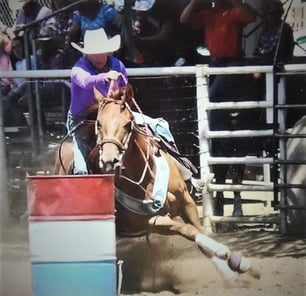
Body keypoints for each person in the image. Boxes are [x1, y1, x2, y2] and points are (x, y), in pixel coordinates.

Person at [68, 28, 203, 194]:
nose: (98, 57)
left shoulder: (118, 65)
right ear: (86, 54)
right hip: (84, 119)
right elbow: (85, 81)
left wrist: (118, 90)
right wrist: (103, 77)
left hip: (114, 115)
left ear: (107, 51)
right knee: (81, 167)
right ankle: (82, 195)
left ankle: (185, 174)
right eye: (93, 53)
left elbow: (124, 91)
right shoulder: (79, 68)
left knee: (161, 126)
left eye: (101, 52)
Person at [181, 0, 257, 216]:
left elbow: (250, 16)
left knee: (232, 140)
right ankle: (223, 198)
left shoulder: (233, 11)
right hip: (216, 67)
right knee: (219, 142)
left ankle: (234, 199)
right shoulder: (208, 13)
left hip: (230, 68)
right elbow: (185, 19)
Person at [132, 0, 201, 66]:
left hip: (177, 54)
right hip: (155, 56)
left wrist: (142, 41)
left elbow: (164, 36)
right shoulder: (143, 16)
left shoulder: (168, 12)